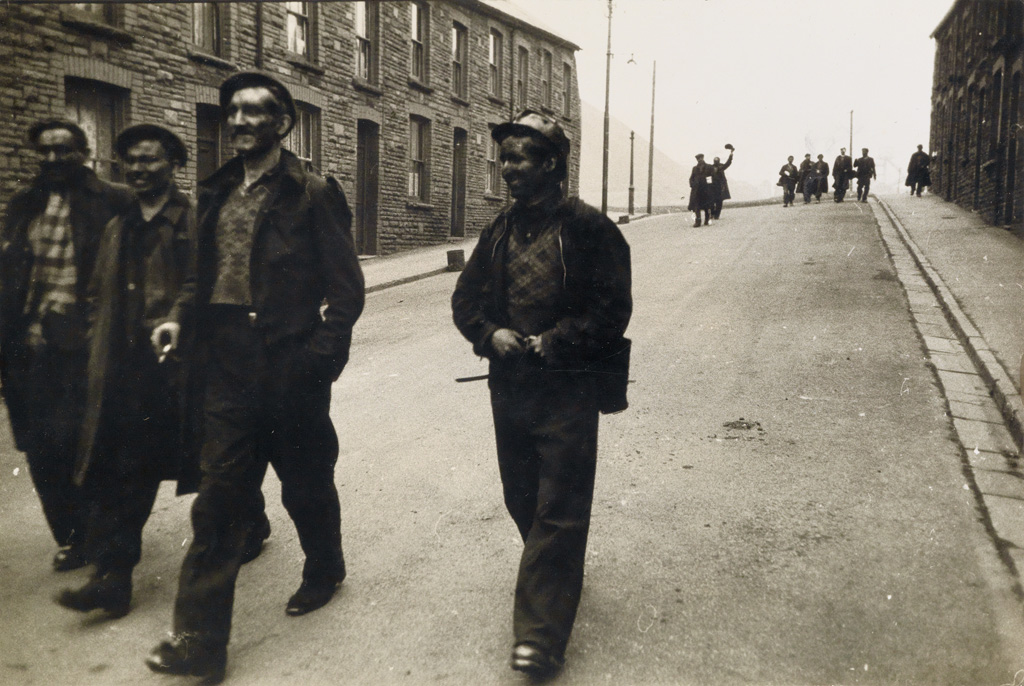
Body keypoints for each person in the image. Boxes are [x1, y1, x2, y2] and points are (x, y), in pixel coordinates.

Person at [146, 72, 364, 684]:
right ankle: (198, 643)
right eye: (231, 112)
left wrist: (319, 361)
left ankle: (324, 567)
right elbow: (198, 275)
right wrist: (176, 320)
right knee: (218, 499)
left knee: (305, 482)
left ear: (282, 124)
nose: (237, 121)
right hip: (225, 365)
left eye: (252, 112)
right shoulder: (213, 193)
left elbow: (346, 292)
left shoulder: (312, 192)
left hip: (289, 363)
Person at [451, 109, 632, 678]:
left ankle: (540, 636)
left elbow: (612, 309)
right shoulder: (498, 230)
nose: (508, 169)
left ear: (552, 164)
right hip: (510, 387)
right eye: (504, 158)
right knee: (522, 496)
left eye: (520, 157)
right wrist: (490, 334)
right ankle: (557, 572)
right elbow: (465, 301)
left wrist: (555, 341)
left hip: (569, 386)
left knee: (559, 506)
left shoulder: (589, 229)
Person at [0, 120, 132, 572]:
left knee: (92, 444)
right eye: (45, 152)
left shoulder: (113, 200)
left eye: (64, 151)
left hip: (89, 347)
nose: (53, 160)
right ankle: (72, 537)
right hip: (30, 347)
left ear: (84, 154)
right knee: (42, 449)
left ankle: (102, 534)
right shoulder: (24, 203)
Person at [688, 153, 714, 226]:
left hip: (706, 190)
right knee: (696, 206)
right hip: (696, 190)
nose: (699, 160)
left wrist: (709, 187)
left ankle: (707, 219)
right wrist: (692, 185)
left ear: (703, 158)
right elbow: (691, 178)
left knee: (706, 205)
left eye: (700, 158)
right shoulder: (694, 168)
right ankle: (698, 221)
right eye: (698, 159)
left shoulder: (709, 167)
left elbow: (711, 177)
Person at [709, 148, 734, 220]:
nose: (716, 162)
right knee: (712, 201)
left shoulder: (721, 166)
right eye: (715, 161)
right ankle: (713, 214)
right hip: (713, 186)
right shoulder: (711, 167)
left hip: (720, 187)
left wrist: (731, 155)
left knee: (719, 201)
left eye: (717, 161)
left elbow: (728, 163)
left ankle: (716, 215)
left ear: (718, 161)